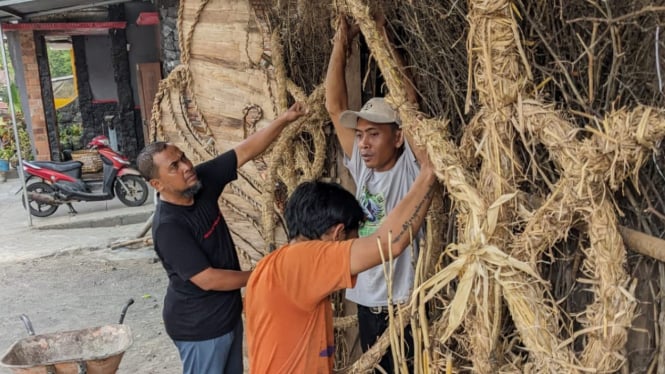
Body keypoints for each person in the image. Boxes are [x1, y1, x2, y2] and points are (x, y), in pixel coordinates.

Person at [136, 102, 307, 374]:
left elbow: (245, 150)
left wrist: (285, 119)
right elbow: (208, 279)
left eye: (183, 158)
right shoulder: (169, 227)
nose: (186, 166)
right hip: (199, 327)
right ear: (157, 184)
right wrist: (262, 272)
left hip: (225, 316)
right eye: (174, 167)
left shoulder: (198, 183)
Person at [245, 159, 436, 373]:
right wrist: (429, 171)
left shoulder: (271, 265)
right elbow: (389, 243)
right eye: (352, 240)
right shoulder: (306, 259)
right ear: (338, 234)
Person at [324, 14, 424, 373]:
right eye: (360, 134)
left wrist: (379, 34)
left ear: (398, 137)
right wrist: (342, 41)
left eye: (374, 134)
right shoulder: (362, 166)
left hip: (401, 303)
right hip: (367, 301)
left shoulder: (411, 166)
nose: (363, 144)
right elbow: (334, 107)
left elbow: (409, 103)